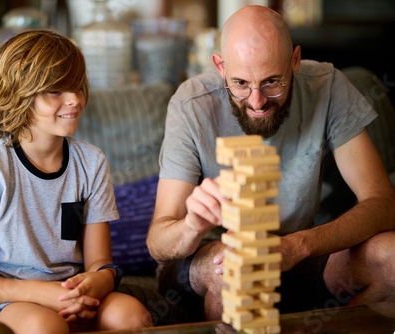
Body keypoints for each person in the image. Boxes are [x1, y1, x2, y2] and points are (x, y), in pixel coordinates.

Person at [146, 5, 395, 320]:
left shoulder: (328, 86)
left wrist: (298, 245)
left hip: (296, 249)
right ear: (220, 67)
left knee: (391, 257)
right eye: (240, 84)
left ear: (294, 61)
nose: (256, 101)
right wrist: (192, 226)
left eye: (272, 82)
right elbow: (158, 243)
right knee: (236, 268)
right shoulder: (190, 104)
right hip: (210, 254)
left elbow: (383, 204)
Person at [0, 29, 152, 333]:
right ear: (18, 95)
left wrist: (96, 281)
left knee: (131, 317)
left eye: (77, 87)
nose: (75, 100)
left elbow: (100, 263)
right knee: (46, 326)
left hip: (66, 292)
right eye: (56, 91)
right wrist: (43, 294)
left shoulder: (92, 163)